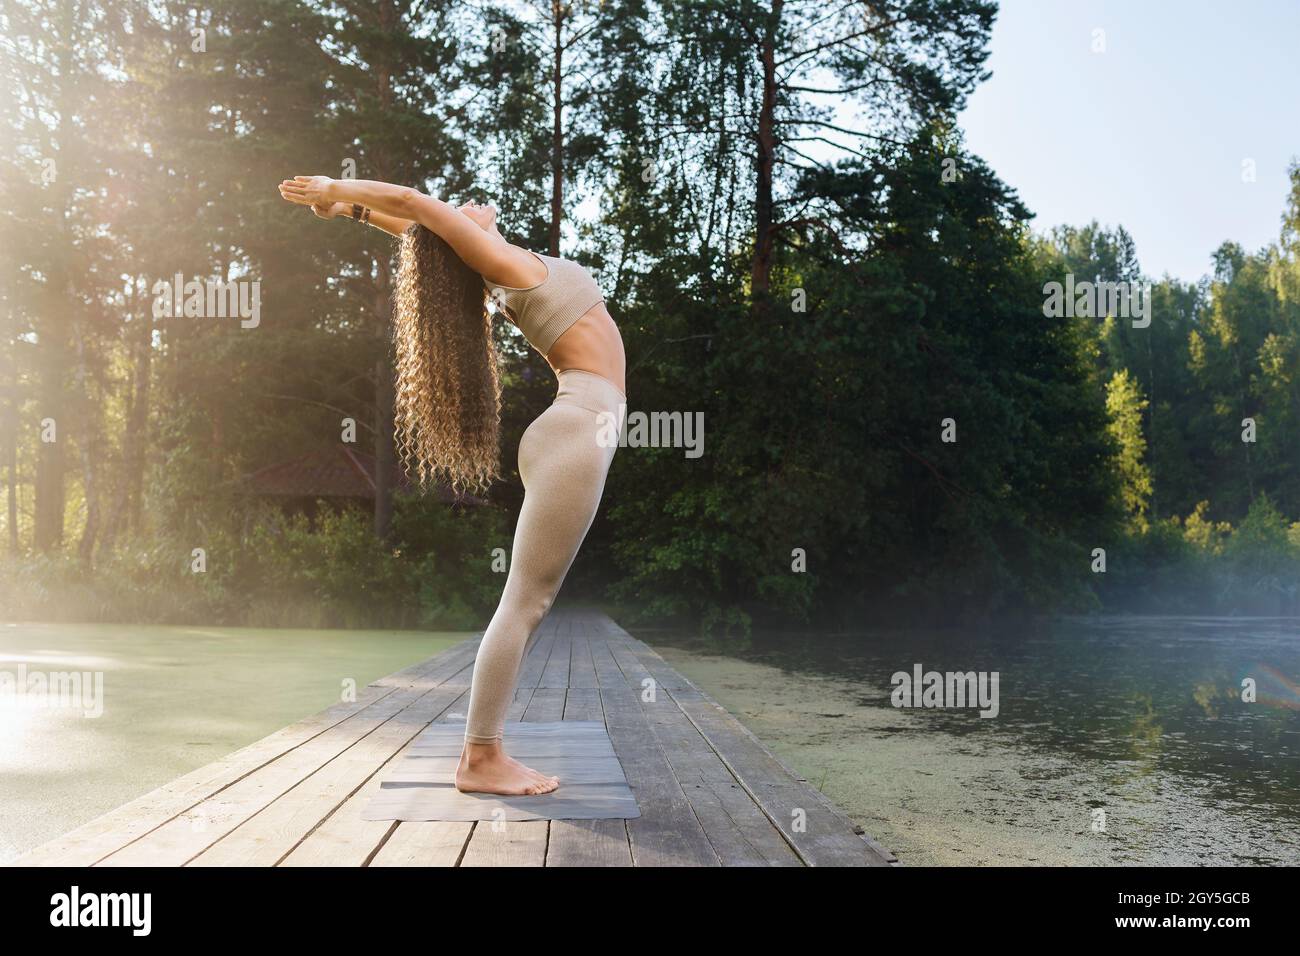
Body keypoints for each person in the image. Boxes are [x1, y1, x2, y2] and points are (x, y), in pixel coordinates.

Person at [279, 176, 626, 796]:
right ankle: (481, 757)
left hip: (576, 431)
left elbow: (426, 233)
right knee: (527, 603)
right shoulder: (502, 264)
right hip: (576, 431)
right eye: (458, 216)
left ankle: (483, 753)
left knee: (528, 602)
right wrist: (336, 187)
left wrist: (354, 210)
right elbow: (418, 209)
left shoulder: (503, 263)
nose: (463, 208)